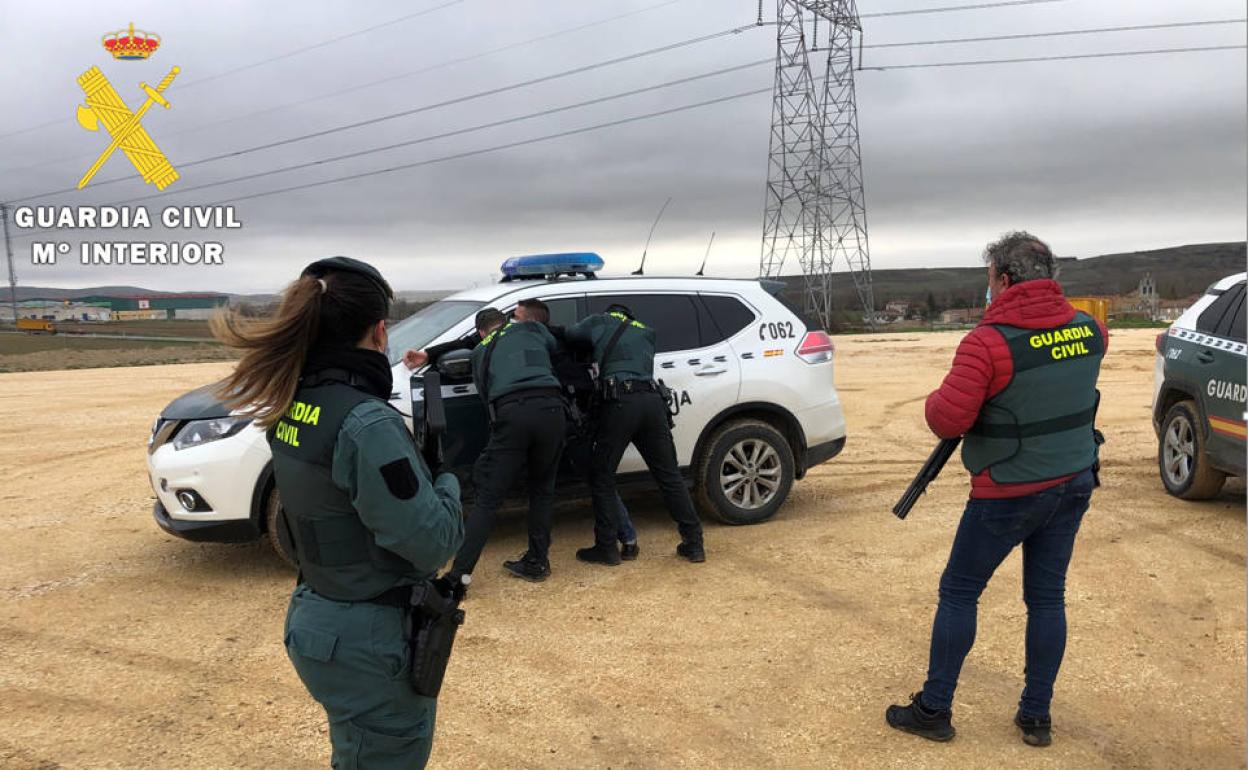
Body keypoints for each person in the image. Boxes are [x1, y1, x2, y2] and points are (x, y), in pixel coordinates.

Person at [212, 256, 464, 769]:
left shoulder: (294, 401)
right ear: (378, 331)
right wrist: (448, 479)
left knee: (357, 752)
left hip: (322, 619)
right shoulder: (365, 421)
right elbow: (433, 542)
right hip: (369, 637)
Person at [885, 232, 1108, 748]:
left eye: (990, 279)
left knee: (959, 592)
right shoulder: (1091, 329)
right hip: (1074, 479)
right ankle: (1036, 717)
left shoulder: (987, 342)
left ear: (1003, 280)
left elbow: (946, 418)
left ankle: (934, 709)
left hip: (1008, 489)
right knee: (1047, 599)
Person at [411, 307, 567, 583]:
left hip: (513, 414)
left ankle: (459, 576)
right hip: (553, 409)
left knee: (488, 500)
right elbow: (554, 346)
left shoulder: (481, 351)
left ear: (481, 332)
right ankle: (537, 563)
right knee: (542, 490)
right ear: (506, 322)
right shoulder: (531, 328)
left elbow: (486, 396)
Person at [563, 303, 705, 565]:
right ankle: (694, 543)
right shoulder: (646, 331)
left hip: (619, 403)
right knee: (669, 477)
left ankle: (606, 547)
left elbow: (571, 335)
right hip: (652, 403)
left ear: (611, 313)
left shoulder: (601, 321)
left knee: (602, 476)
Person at [515, 298, 640, 560]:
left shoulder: (549, 342)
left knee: (594, 480)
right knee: (595, 480)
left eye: (516, 319)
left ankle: (623, 538)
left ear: (532, 322)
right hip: (568, 418)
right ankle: (626, 538)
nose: (512, 325)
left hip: (570, 420)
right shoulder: (547, 339)